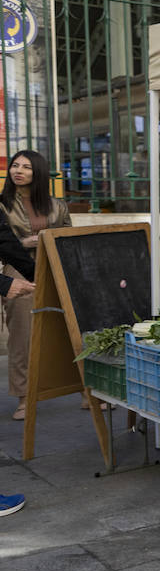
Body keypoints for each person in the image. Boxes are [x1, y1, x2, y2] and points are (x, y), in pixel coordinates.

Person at [0, 150, 59, 420]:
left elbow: (68, 235)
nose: (18, 170)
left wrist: (51, 240)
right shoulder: (3, 204)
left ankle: (86, 390)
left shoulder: (56, 205)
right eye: (14, 165)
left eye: (26, 166)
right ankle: (24, 398)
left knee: (69, 331)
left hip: (53, 270)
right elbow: (5, 244)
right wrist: (25, 243)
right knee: (22, 337)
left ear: (39, 172)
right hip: (17, 273)